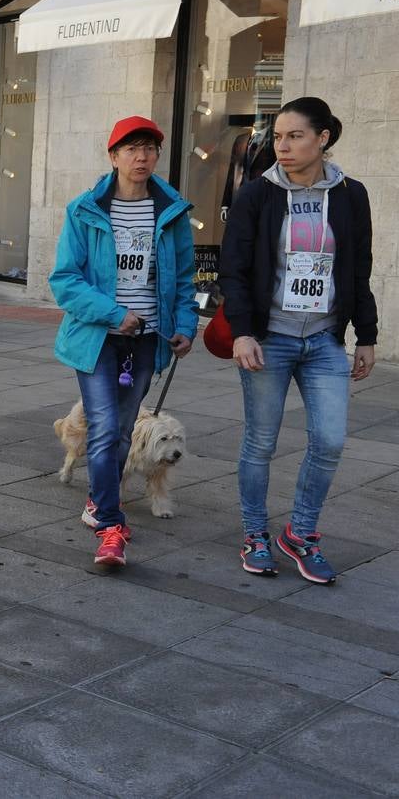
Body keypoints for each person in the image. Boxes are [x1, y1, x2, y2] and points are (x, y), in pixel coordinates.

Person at [219, 97, 377, 584]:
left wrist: (366, 335)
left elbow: (359, 268)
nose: (282, 147)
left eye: (295, 136)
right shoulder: (258, 195)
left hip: (325, 338)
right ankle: (254, 533)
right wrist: (243, 332)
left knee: (329, 440)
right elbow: (234, 269)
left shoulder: (351, 195)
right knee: (261, 442)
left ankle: (300, 534)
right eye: (278, 137)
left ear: (323, 138)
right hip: (271, 339)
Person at [49, 116, 197, 568]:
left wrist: (186, 325)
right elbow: (65, 281)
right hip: (98, 340)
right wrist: (115, 314)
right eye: (131, 148)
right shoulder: (84, 210)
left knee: (122, 431)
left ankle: (98, 500)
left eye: (150, 148)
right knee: (106, 427)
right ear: (113, 156)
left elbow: (186, 280)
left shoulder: (171, 212)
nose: (142, 157)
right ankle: (112, 524)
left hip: (147, 341)